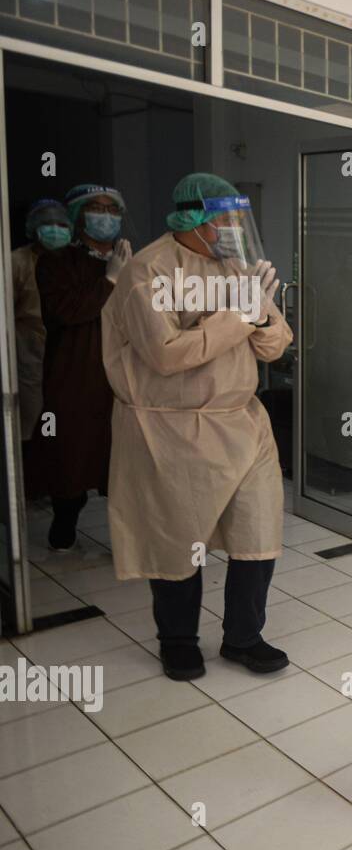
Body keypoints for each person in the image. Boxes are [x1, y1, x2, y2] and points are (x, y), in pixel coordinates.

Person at [102, 173, 291, 683]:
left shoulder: (236, 266)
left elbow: (275, 344)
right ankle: (179, 639)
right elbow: (165, 355)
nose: (233, 229)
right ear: (193, 218)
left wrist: (266, 322)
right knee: (178, 540)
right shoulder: (148, 272)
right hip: (173, 430)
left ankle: (244, 637)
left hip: (243, 422)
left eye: (237, 219)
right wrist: (238, 317)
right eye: (224, 219)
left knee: (258, 533)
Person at [33, 184, 131, 550]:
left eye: (112, 209)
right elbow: (66, 312)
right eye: (96, 208)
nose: (105, 216)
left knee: (121, 462)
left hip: (120, 377)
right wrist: (108, 280)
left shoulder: (131, 262)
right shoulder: (56, 263)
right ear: (78, 216)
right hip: (73, 376)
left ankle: (127, 539)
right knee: (70, 456)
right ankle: (65, 520)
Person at [13, 199, 72, 442]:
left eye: (61, 223)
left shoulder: (73, 261)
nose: (55, 229)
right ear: (33, 228)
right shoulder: (17, 262)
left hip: (67, 354)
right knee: (32, 427)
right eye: (47, 224)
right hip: (29, 357)